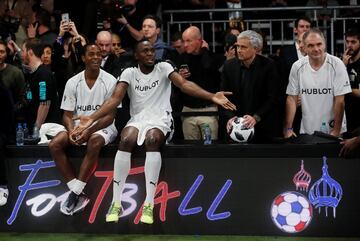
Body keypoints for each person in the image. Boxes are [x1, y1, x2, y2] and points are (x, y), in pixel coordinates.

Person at [72, 39, 235, 224]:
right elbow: (115, 99)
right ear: (137, 55)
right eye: (145, 51)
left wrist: (212, 96)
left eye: (152, 51)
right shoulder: (129, 72)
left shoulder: (164, 67)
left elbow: (184, 84)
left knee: (152, 138)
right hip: (138, 119)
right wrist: (92, 117)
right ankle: (116, 202)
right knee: (125, 139)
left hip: (161, 118)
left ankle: (148, 204)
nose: (150, 54)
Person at [48, 43, 119, 215]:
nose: (96, 57)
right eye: (91, 54)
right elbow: (67, 115)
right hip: (79, 128)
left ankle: (75, 194)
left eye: (99, 54)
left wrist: (88, 131)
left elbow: (110, 116)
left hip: (104, 127)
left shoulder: (110, 80)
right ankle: (77, 190)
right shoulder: (73, 82)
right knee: (54, 144)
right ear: (83, 58)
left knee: (94, 141)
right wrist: (72, 131)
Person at [284, 28, 352, 138]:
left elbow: (340, 100)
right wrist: (288, 129)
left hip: (332, 130)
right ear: (304, 47)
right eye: (310, 45)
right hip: (306, 129)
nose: (316, 49)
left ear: (324, 44)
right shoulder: (297, 66)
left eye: (319, 44)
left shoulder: (337, 64)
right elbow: (291, 99)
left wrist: (336, 131)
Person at [220, 30, 280, 143]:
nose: (239, 50)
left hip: (262, 128)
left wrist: (256, 117)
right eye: (238, 46)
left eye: (244, 47)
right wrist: (230, 117)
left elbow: (273, 97)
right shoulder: (228, 66)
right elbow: (223, 96)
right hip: (235, 128)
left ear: (256, 49)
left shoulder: (269, 66)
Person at [176, 26, 224, 141]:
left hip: (208, 110)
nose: (185, 45)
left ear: (199, 41)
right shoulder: (180, 59)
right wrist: (179, 78)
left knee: (209, 148)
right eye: (183, 41)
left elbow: (208, 67)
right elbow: (176, 87)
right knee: (190, 149)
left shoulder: (214, 58)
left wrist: (204, 51)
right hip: (188, 110)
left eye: (189, 41)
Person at [278, 16, 311, 134]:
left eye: (308, 27)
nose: (305, 29)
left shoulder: (317, 55)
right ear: (295, 30)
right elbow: (282, 80)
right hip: (292, 102)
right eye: (302, 27)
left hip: (312, 104)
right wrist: (293, 97)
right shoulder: (285, 52)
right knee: (292, 137)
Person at [21, 38, 60, 135]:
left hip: (46, 131)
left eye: (23, 51)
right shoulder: (32, 73)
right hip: (34, 126)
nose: (21, 54)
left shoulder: (43, 74)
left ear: (30, 52)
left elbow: (44, 104)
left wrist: (36, 130)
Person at [342, 27, 360, 137]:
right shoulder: (343, 62)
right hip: (346, 117)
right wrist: (343, 66)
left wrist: (346, 89)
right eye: (347, 42)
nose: (349, 45)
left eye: (353, 42)